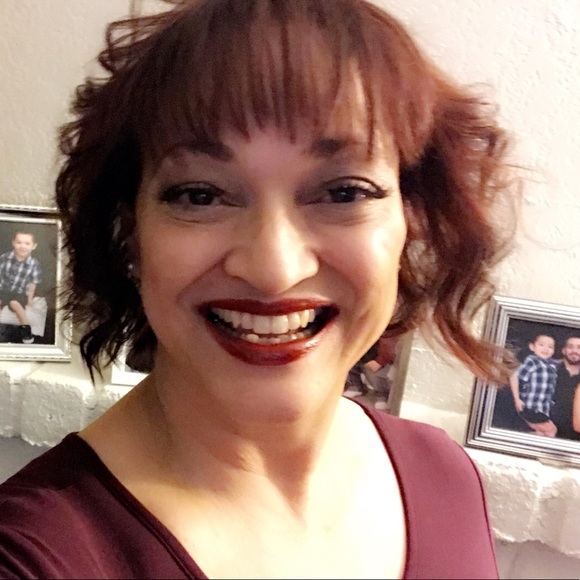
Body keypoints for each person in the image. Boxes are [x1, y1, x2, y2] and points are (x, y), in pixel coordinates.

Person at [0, 0, 518, 577]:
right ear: (130, 235)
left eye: (344, 192)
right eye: (200, 195)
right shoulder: (32, 558)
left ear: (412, 220)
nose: (274, 269)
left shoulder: (443, 474)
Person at [509, 334, 558, 437]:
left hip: (543, 409)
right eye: (541, 345)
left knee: (546, 432)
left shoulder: (551, 366)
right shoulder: (532, 361)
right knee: (551, 432)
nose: (546, 349)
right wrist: (517, 399)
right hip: (530, 407)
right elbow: (514, 376)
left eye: (550, 347)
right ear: (532, 347)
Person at [0, 231, 41, 344]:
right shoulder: (4, 258)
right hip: (3, 289)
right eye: (19, 242)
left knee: (15, 304)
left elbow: (32, 284)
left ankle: (26, 329)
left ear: (34, 246)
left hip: (19, 293)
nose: (23, 246)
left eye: (27, 243)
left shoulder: (34, 264)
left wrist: (30, 300)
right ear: (13, 243)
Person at [554, 334, 580, 440]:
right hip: (548, 436)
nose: (574, 351)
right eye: (570, 347)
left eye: (579, 348)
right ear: (563, 350)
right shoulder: (548, 370)